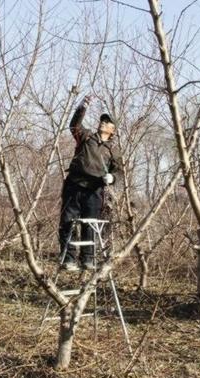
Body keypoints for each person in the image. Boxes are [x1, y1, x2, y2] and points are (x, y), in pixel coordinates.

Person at [58, 96, 122, 271]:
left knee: (91, 224)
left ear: (113, 129)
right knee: (67, 222)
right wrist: (82, 107)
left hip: (95, 190)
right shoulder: (86, 137)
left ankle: (87, 259)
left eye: (107, 122)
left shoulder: (113, 150)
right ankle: (68, 259)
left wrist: (112, 178)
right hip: (74, 185)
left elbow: (119, 172)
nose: (103, 123)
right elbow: (74, 125)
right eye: (102, 120)